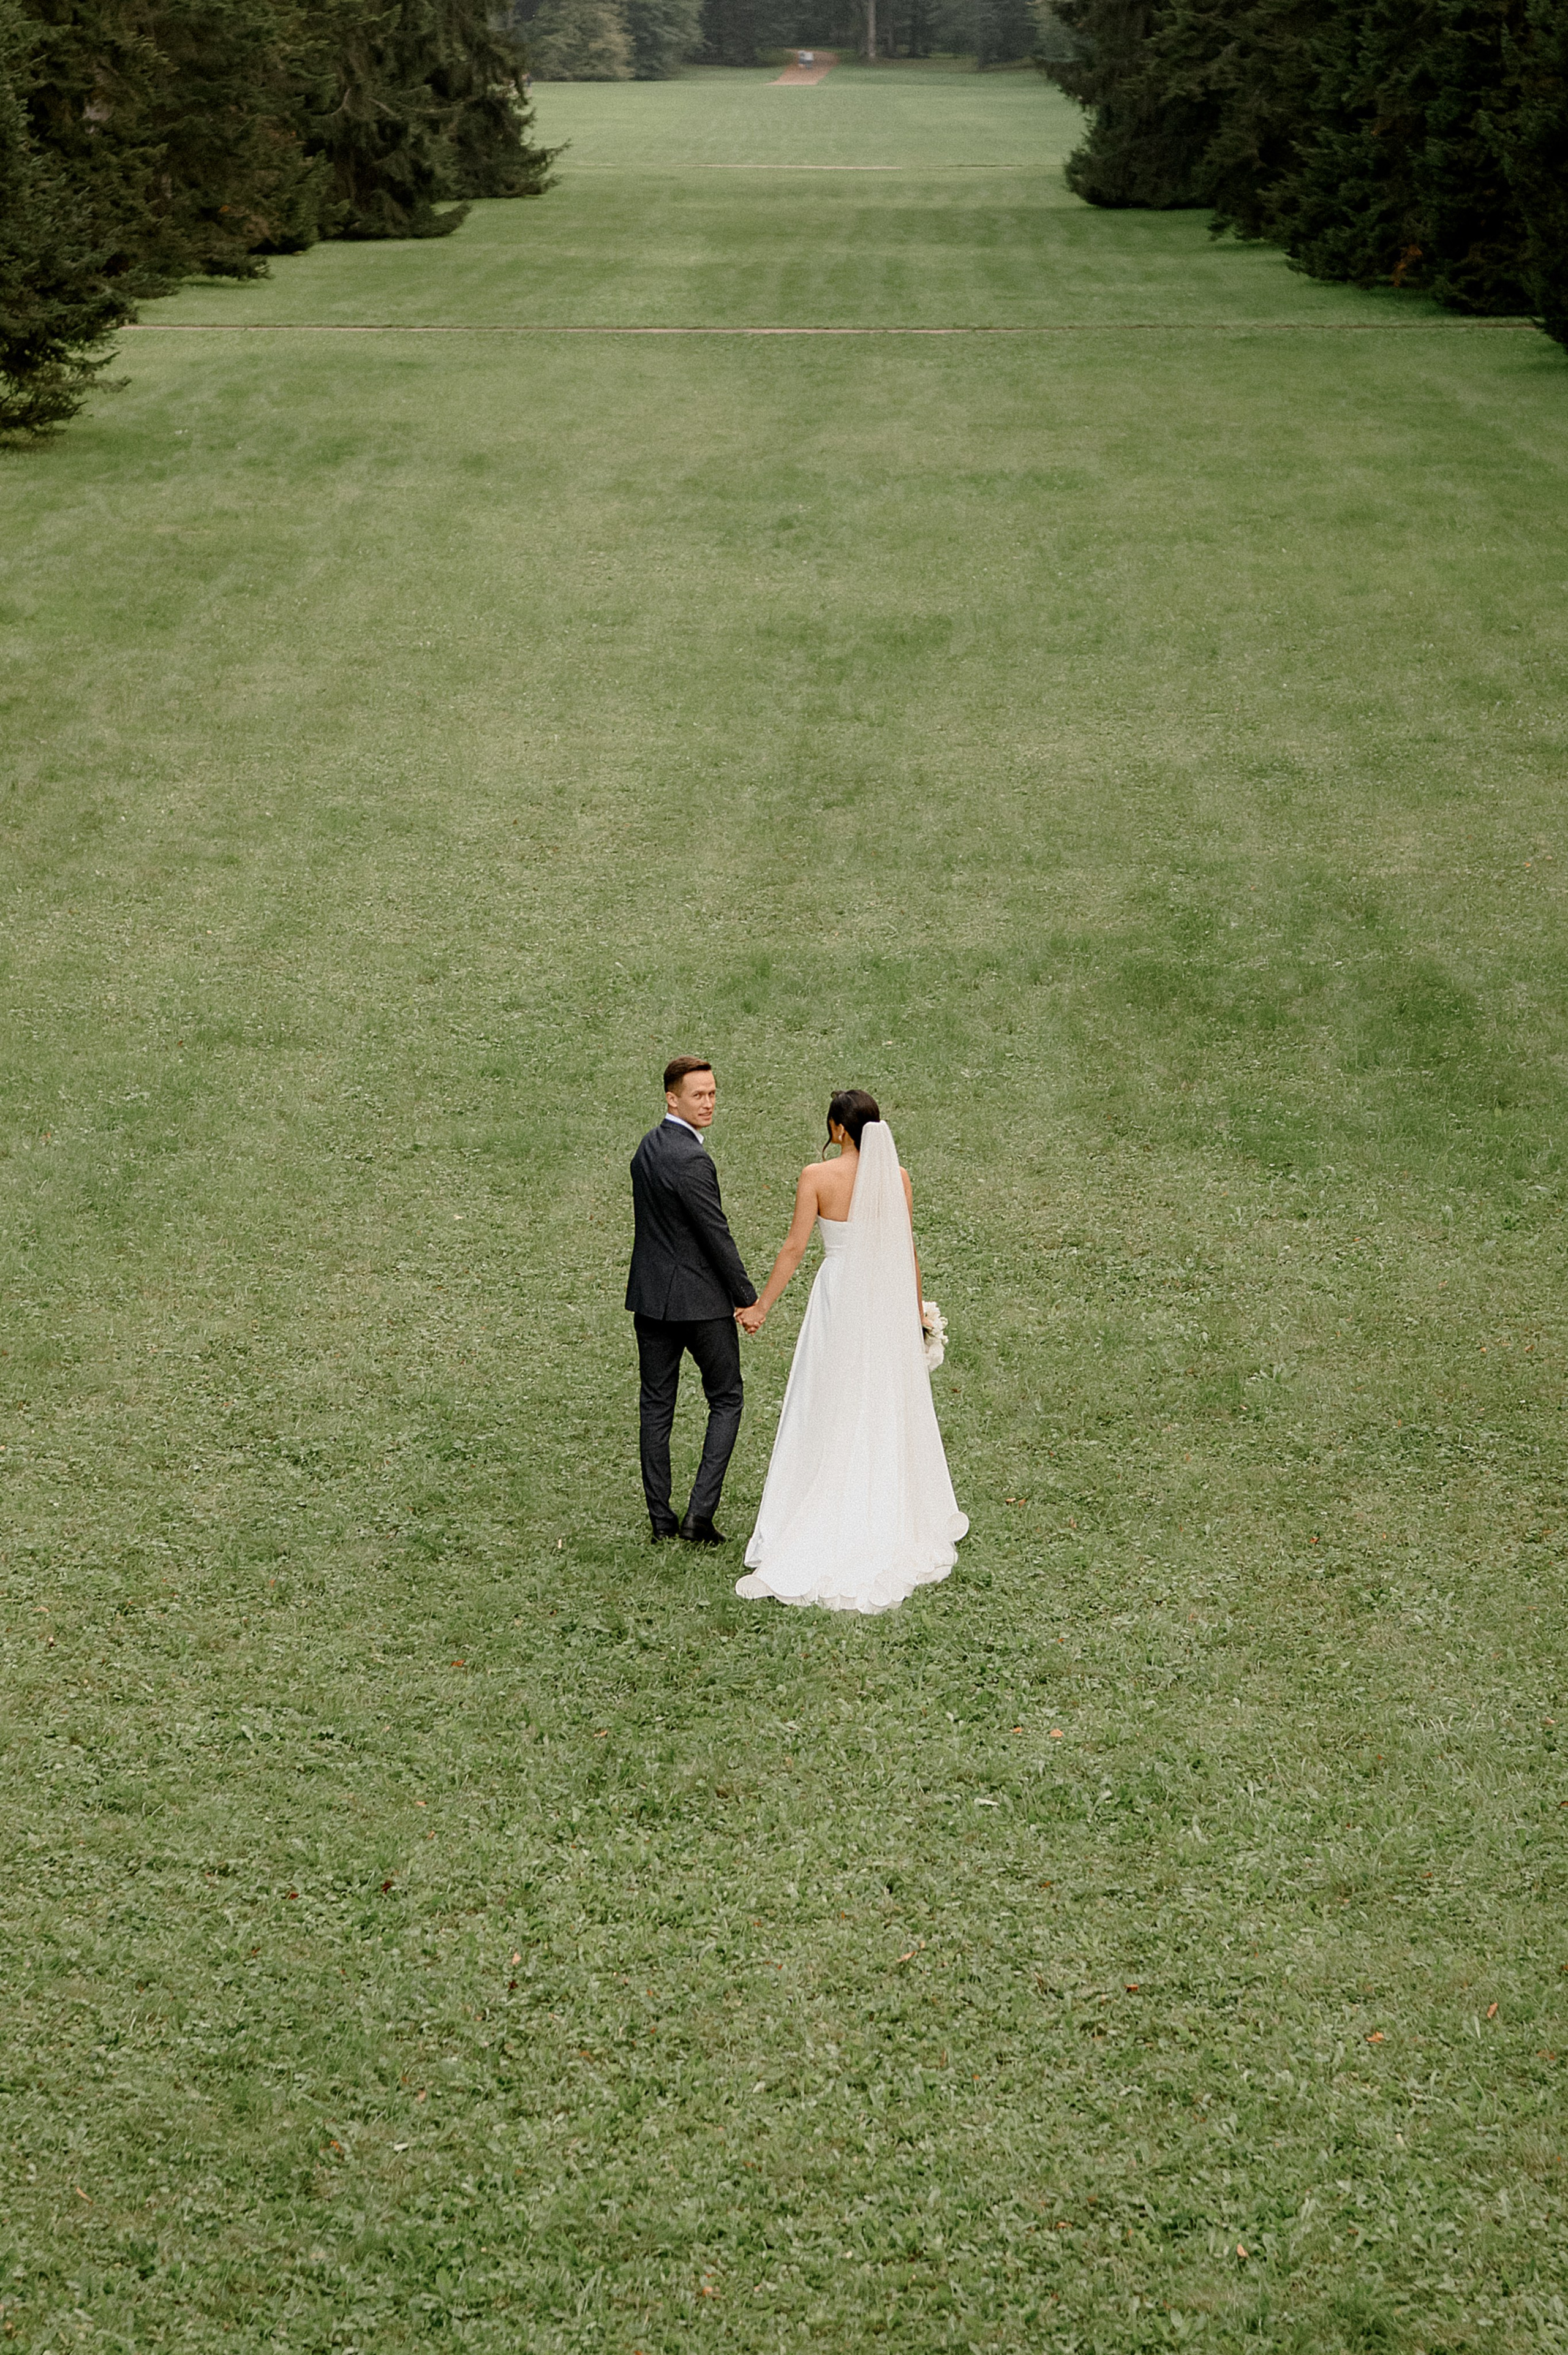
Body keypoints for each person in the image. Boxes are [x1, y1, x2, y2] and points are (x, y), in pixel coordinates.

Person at [734, 1091, 967, 1613]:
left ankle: (819, 1498)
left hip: (840, 1296)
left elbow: (794, 1247)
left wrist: (761, 1307)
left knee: (829, 1395)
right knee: (881, 1398)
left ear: (838, 1129)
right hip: (883, 1301)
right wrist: (915, 1317)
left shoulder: (817, 1177)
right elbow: (907, 1251)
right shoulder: (898, 1178)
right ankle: (884, 1502)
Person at [625, 1057, 757, 1546]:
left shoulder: (647, 1149)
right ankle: (698, 1517)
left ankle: (661, 1519)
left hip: (650, 1300)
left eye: (713, 1094)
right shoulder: (693, 1160)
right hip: (700, 1304)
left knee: (656, 1406)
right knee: (727, 1398)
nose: (709, 1103)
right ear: (672, 1098)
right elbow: (714, 1234)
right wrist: (746, 1298)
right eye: (699, 1095)